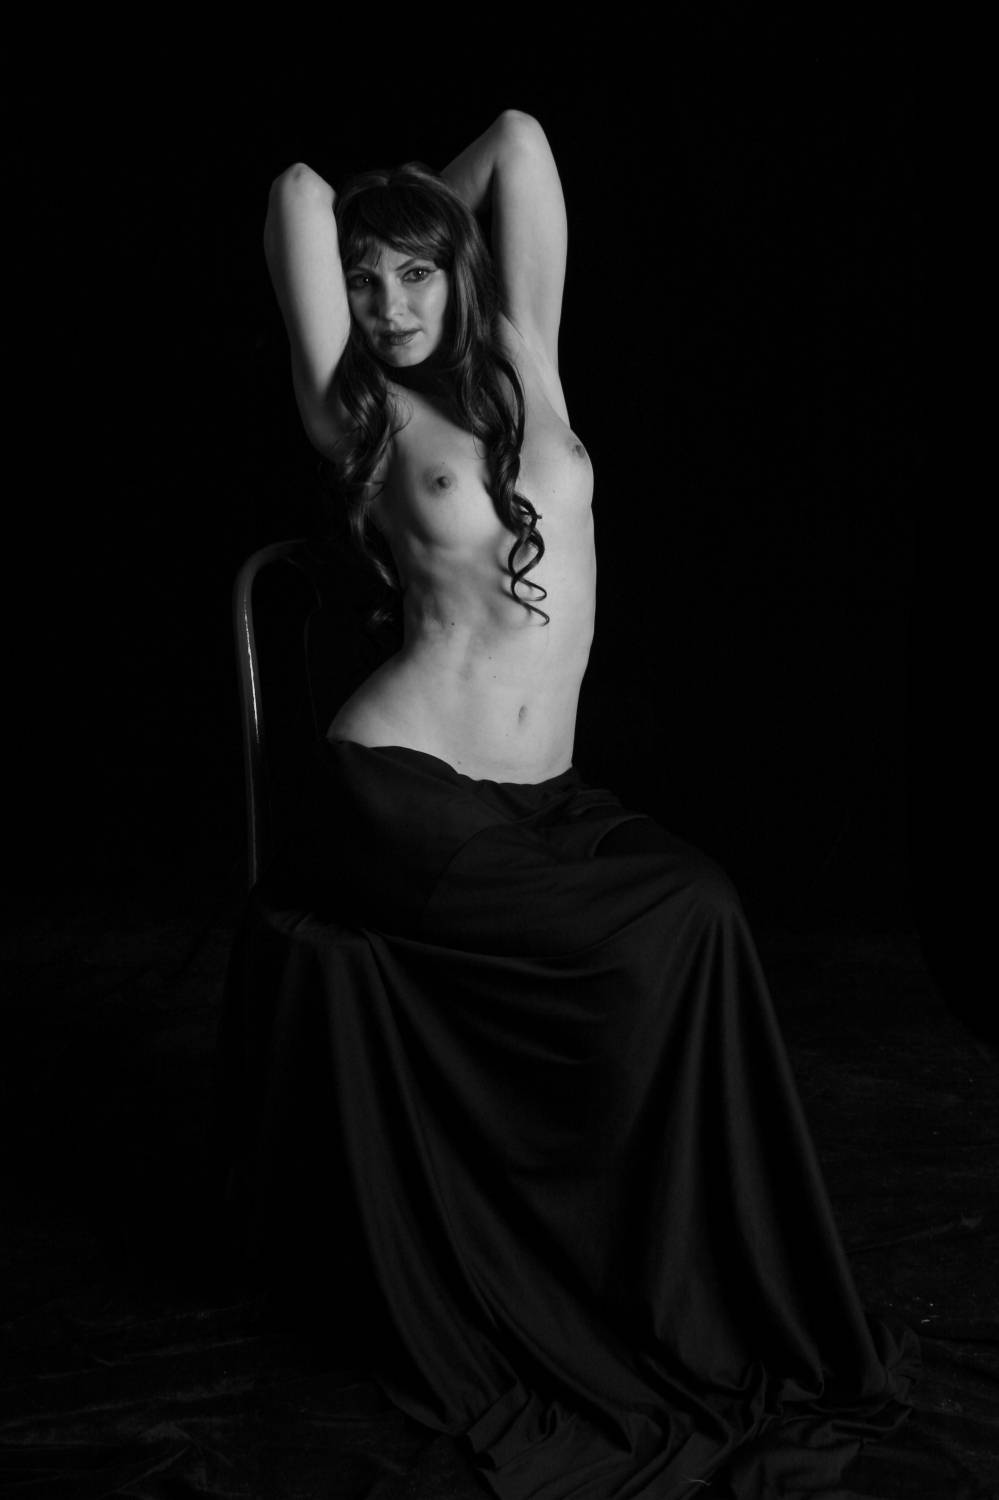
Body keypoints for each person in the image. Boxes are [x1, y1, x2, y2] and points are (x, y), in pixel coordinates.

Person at [226, 110, 918, 1499]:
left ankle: (684, 1283)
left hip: (545, 802)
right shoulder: (356, 408)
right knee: (654, 931)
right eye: (364, 282)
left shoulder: (525, 355)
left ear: (460, 271)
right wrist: (387, 225)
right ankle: (580, 1291)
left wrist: (430, 221)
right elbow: (297, 189)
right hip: (401, 793)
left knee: (701, 911)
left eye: (415, 274)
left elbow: (522, 142)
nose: (390, 306)